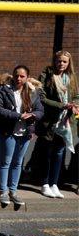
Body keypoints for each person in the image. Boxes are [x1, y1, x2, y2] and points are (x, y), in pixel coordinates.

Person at [0, 65, 44, 208]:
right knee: (5, 161)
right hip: (7, 131)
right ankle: (3, 191)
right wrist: (19, 115)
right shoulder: (4, 89)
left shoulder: (33, 91)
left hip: (24, 133)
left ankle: (13, 191)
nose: (18, 79)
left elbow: (40, 110)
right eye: (16, 75)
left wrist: (33, 115)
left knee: (18, 162)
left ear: (27, 77)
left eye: (22, 76)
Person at [37, 51, 78, 198]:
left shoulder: (72, 78)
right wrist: (61, 105)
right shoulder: (47, 75)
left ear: (68, 63)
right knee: (47, 153)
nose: (61, 64)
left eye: (64, 62)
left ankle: (54, 184)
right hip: (50, 121)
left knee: (59, 153)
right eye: (59, 61)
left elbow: (76, 95)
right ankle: (45, 184)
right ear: (54, 61)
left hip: (65, 122)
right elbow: (41, 97)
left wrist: (74, 104)